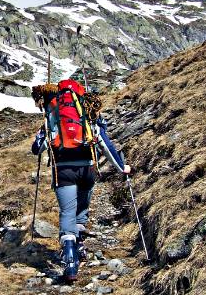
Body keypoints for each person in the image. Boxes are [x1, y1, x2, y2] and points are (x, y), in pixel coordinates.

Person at [31, 80, 131, 282]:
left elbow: (37, 149)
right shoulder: (88, 112)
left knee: (67, 212)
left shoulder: (53, 114)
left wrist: (40, 136)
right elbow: (105, 143)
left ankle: (70, 260)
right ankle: (80, 246)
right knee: (81, 212)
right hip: (87, 169)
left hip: (63, 170)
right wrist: (122, 168)